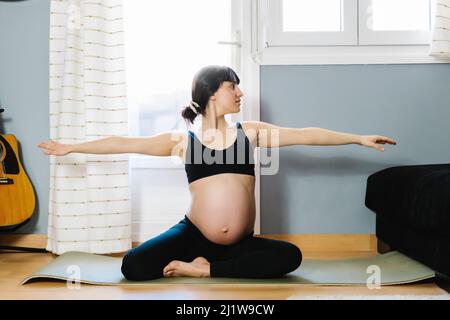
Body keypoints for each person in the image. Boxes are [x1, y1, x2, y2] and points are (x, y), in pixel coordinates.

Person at [38, 65, 397, 280]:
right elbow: (123, 142)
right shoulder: (182, 141)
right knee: (133, 265)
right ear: (212, 92)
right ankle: (203, 262)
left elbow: (305, 135)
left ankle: (204, 270)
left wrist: (357, 138)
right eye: (232, 86)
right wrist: (72, 147)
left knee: (291, 257)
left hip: (239, 243)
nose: (240, 92)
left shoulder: (250, 132)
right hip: (192, 236)